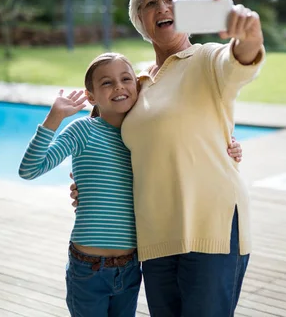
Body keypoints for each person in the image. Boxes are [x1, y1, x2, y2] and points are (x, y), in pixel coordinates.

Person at [69, 0, 265, 316]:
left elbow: (241, 58)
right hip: (155, 237)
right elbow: (106, 137)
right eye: (149, 3)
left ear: (190, 9)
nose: (162, 8)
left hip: (211, 228)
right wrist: (90, 182)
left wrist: (247, 30)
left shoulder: (207, 59)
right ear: (139, 21)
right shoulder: (137, 83)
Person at [18, 52, 244, 317]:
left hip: (130, 268)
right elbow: (30, 169)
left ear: (137, 87)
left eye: (126, 79)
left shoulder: (144, 135)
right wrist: (54, 118)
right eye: (106, 83)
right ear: (91, 97)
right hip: (88, 268)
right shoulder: (83, 131)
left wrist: (229, 147)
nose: (118, 87)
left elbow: (181, 156)